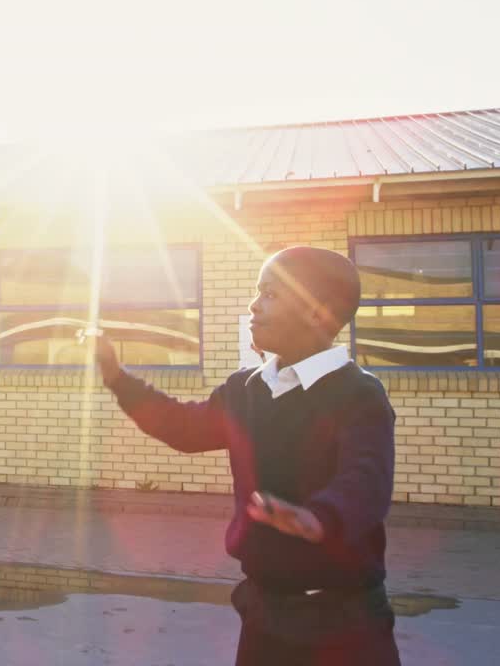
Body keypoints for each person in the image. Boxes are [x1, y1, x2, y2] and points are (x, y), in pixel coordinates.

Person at [89, 246, 400, 665]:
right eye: (257, 292)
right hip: (264, 613)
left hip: (346, 622)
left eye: (270, 294)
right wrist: (117, 378)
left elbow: (366, 481)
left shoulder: (359, 394)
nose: (254, 305)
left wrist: (319, 518)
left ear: (317, 313)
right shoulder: (246, 390)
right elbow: (183, 426)